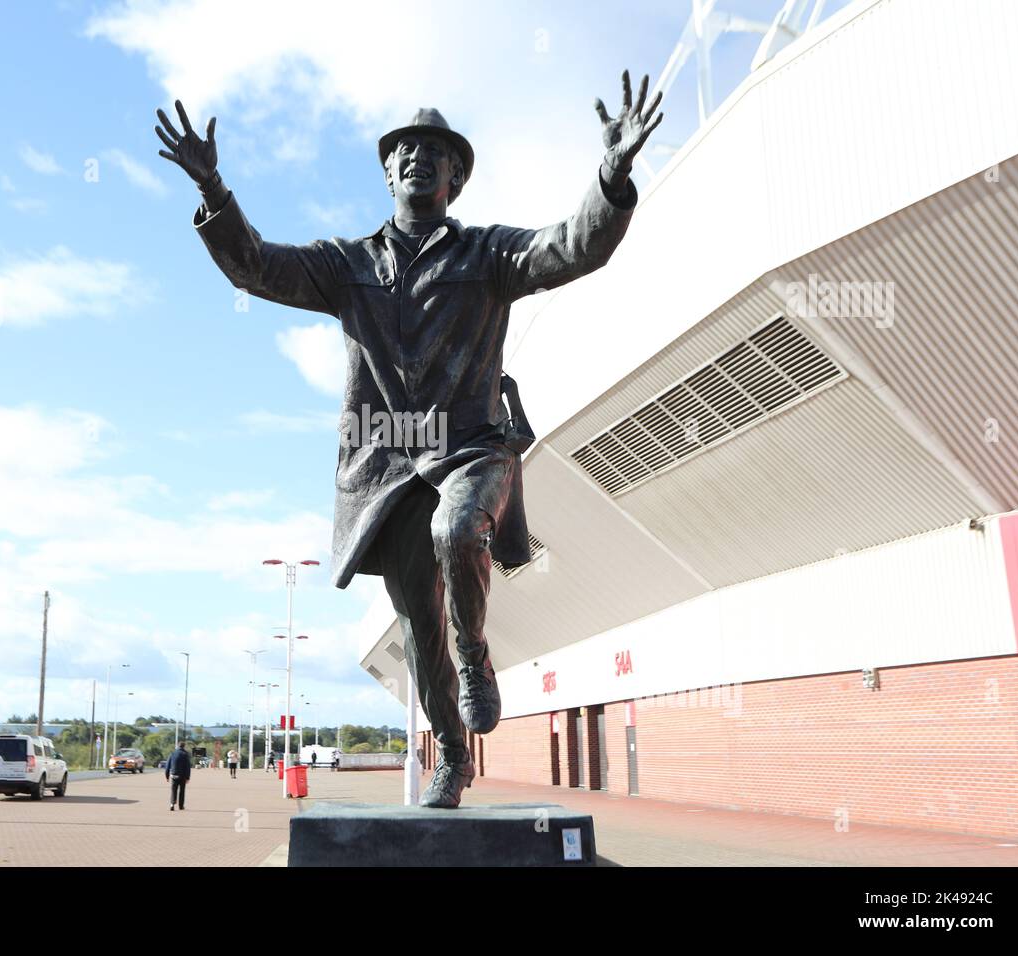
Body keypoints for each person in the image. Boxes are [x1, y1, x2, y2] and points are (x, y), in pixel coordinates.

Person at [155, 72, 659, 809]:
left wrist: (611, 179)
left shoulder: (488, 254)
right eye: (405, 150)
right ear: (388, 171)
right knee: (419, 632)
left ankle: (477, 652)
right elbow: (256, 265)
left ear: (456, 177)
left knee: (457, 530)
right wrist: (214, 194)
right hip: (387, 465)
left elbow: (571, 248)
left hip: (471, 446)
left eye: (436, 152)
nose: (419, 158)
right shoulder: (347, 264)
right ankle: (454, 759)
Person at [164, 741, 192, 811]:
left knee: (173, 790)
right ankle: (181, 806)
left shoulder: (172, 753)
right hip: (182, 776)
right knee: (182, 791)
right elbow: (188, 767)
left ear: (177, 746)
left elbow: (167, 766)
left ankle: (172, 804)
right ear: (184, 746)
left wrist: (167, 776)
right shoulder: (185, 754)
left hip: (174, 775)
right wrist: (188, 777)